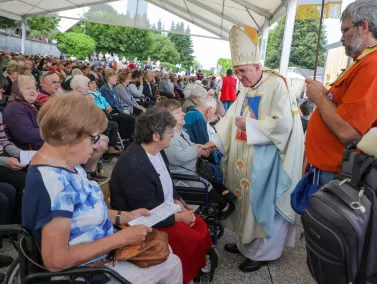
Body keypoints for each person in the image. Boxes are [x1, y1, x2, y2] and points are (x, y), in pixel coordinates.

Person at [22, 94, 182, 284]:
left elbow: (83, 212)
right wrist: (121, 239)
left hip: (98, 260)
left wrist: (123, 216)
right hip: (82, 274)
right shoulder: (52, 184)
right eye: (93, 138)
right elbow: (57, 260)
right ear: (67, 135)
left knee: (166, 253)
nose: (98, 144)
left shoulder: (64, 165)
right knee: (171, 263)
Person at [205, 25, 304, 272]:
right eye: (237, 72)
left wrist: (251, 126)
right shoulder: (247, 87)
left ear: (258, 67)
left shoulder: (277, 85)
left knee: (261, 203)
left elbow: (283, 125)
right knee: (245, 201)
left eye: (243, 71)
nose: (239, 77)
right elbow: (229, 119)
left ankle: (263, 253)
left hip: (267, 161)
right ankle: (245, 244)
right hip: (245, 159)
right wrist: (214, 142)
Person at [109, 107, 210, 284]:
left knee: (199, 224)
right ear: (156, 136)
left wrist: (177, 200)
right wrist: (179, 218)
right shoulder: (134, 164)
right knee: (190, 237)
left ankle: (195, 266)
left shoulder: (157, 149)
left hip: (164, 208)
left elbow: (167, 181)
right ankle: (186, 275)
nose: (172, 135)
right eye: (170, 132)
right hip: (146, 219)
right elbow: (147, 211)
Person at [305, 0, 377, 184]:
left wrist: (320, 98)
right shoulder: (367, 60)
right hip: (330, 170)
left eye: (345, 30)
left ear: (364, 26)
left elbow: (349, 132)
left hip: (338, 175)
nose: (341, 38)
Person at [158, 99, 235, 214]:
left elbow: (190, 145)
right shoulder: (169, 137)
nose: (184, 113)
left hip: (193, 170)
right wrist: (198, 151)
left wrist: (201, 147)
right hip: (184, 178)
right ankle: (224, 208)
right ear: (167, 118)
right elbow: (179, 157)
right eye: (178, 112)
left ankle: (222, 194)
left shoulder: (179, 132)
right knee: (207, 183)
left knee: (209, 174)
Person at [71, 75, 120, 156]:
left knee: (106, 137)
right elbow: (83, 117)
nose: (87, 88)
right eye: (86, 85)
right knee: (103, 140)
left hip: (90, 124)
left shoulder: (85, 96)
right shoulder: (76, 98)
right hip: (83, 129)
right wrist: (89, 102)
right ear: (78, 87)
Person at [4, 75, 43, 150]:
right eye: (28, 88)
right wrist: (52, 130)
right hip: (31, 153)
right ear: (17, 90)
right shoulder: (14, 109)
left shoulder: (32, 105)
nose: (32, 91)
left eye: (34, 88)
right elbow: (27, 136)